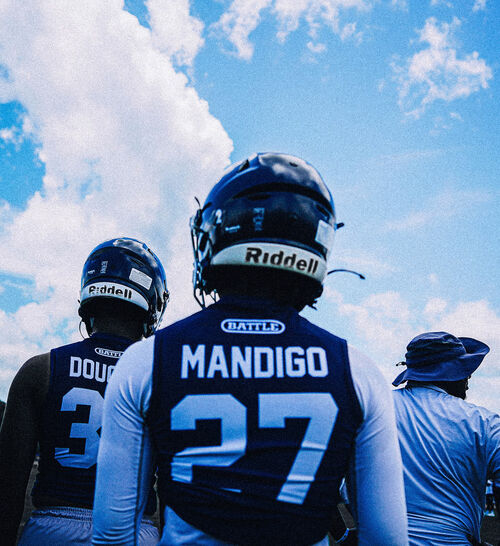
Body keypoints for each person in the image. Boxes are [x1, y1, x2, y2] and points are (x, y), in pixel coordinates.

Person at [92, 153, 408, 545]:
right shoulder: (357, 370)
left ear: (219, 232)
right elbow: (388, 538)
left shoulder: (147, 360)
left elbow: (113, 534)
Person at [0, 237, 169, 545]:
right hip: (133, 532)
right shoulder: (165, 377)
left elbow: (7, 488)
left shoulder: (39, 370)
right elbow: (175, 490)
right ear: (152, 300)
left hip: (52, 529)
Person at [392, 331, 500, 546]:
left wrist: (343, 534)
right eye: (466, 373)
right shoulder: (483, 422)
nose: (468, 382)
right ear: (453, 373)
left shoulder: (372, 409)